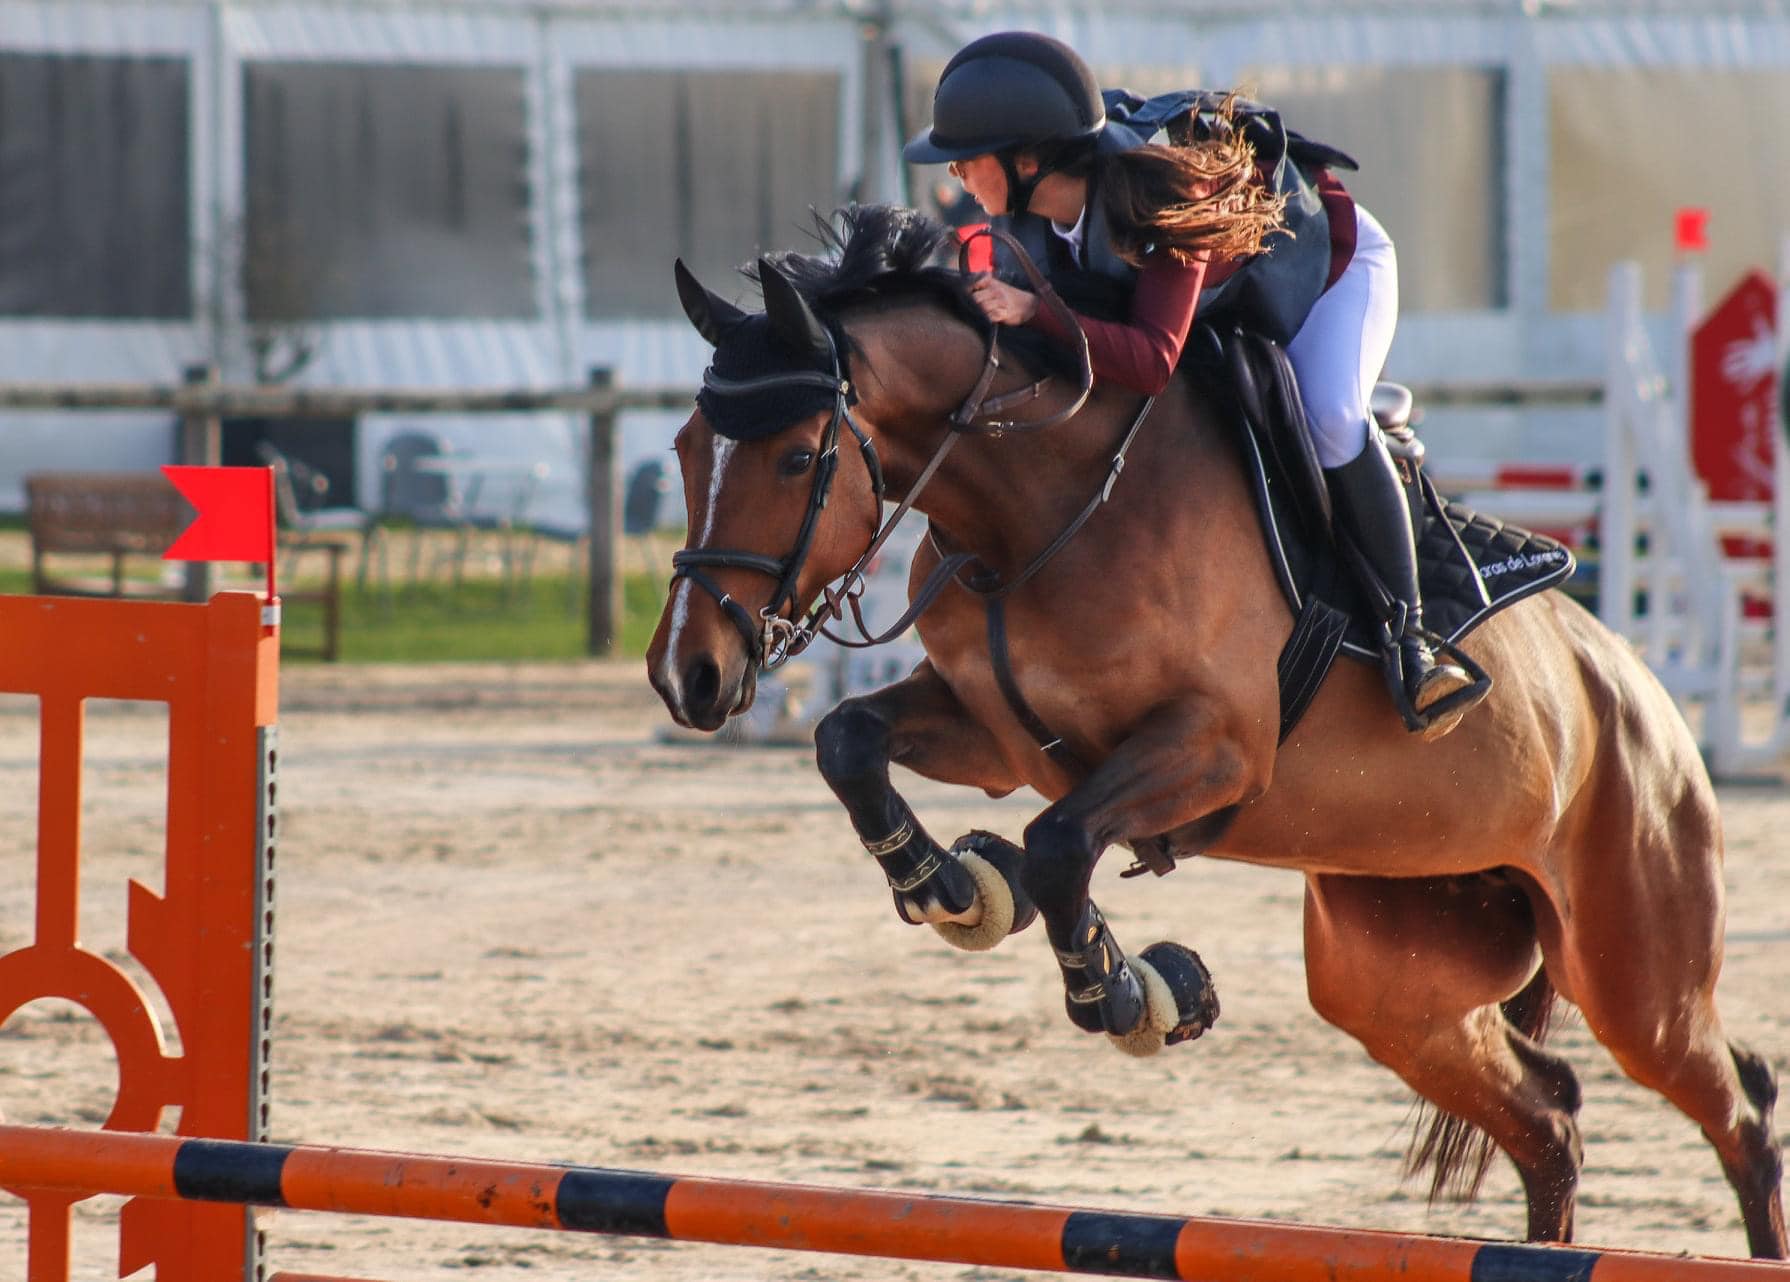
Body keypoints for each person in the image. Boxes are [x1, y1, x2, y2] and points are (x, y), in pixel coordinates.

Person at [903, 30, 1485, 734]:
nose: (957, 174)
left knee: (1330, 416)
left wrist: (1036, 310)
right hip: (1226, 301)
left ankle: (1413, 644)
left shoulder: (1159, 198)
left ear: (1028, 160)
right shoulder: (1030, 217)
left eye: (967, 160)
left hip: (1332, 271)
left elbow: (1151, 361)